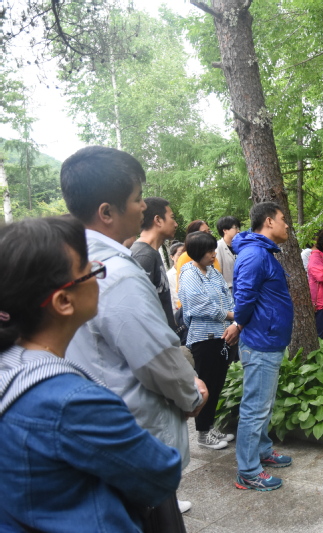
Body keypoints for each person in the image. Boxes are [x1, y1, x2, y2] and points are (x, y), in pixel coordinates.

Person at [0, 216, 183, 532]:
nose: (100, 271)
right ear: (63, 301)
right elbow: (160, 473)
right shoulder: (73, 402)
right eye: (90, 270)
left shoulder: (12, 367)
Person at [60, 146, 207, 518]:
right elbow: (155, 357)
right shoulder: (117, 273)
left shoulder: (65, 261)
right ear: (106, 212)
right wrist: (192, 394)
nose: (144, 206)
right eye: (137, 198)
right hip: (136, 445)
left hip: (97, 433)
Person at [232, 201, 294, 491]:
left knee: (263, 405)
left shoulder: (262, 253)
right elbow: (243, 298)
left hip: (269, 340)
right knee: (255, 408)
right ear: (269, 221)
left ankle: (262, 451)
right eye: (283, 219)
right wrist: (239, 324)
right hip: (260, 341)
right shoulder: (255, 255)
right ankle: (248, 471)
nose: (287, 225)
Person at [179, 231, 239, 451]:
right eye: (209, 251)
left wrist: (232, 313)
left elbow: (228, 296)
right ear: (197, 252)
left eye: (214, 250)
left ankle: (210, 427)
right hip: (204, 338)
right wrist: (231, 315)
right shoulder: (189, 274)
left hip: (221, 336)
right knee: (206, 385)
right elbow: (199, 305)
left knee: (217, 384)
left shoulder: (213, 272)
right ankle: (203, 433)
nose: (214, 254)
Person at [130, 196, 180, 332]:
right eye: (172, 217)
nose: (176, 224)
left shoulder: (152, 253)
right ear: (158, 220)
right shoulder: (143, 256)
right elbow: (138, 309)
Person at [174, 220, 221, 302]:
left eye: (209, 231)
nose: (208, 235)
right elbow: (182, 290)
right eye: (204, 232)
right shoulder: (186, 257)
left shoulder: (213, 257)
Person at [215, 215, 241, 292]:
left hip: (240, 287)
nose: (238, 231)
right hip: (227, 290)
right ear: (225, 230)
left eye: (238, 228)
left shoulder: (239, 246)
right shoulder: (218, 247)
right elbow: (217, 272)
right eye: (235, 228)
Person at [167, 241, 185, 313]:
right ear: (172, 257)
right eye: (179, 254)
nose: (183, 257)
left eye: (185, 254)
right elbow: (170, 300)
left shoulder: (194, 271)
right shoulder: (169, 276)